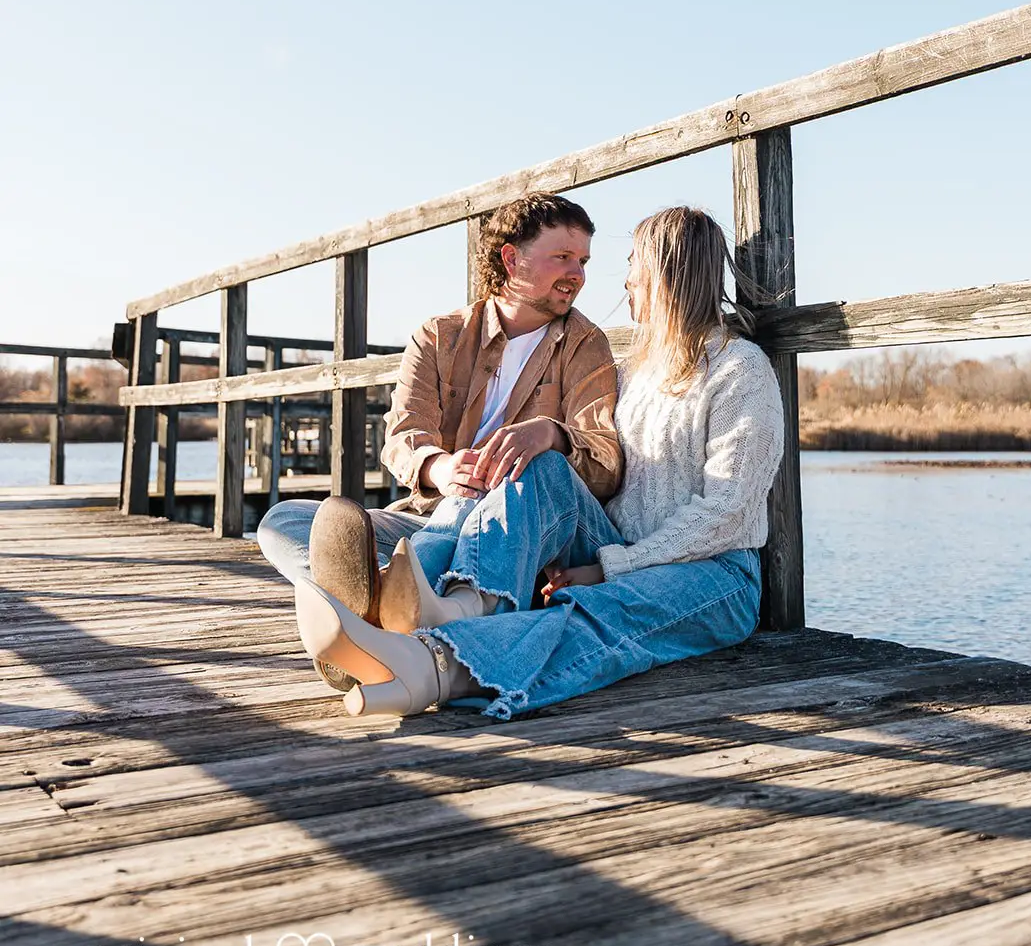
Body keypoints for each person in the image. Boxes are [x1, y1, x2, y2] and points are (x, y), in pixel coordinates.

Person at [293, 206, 785, 719]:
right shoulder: (634, 371)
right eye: (569, 257)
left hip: (714, 574)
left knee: (597, 610)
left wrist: (610, 567)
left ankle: (433, 662)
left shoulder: (739, 369)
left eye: (633, 261)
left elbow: (727, 512)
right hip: (593, 544)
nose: (623, 278)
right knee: (544, 467)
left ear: (663, 271)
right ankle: (451, 607)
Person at [257, 192, 623, 684]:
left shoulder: (585, 342)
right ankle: (383, 608)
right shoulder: (440, 336)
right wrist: (441, 467)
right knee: (285, 519)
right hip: (432, 518)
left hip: (517, 534)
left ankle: (372, 624)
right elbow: (403, 434)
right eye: (563, 257)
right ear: (511, 257)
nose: (577, 274)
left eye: (582, 261)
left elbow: (604, 461)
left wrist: (551, 434)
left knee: (506, 481)